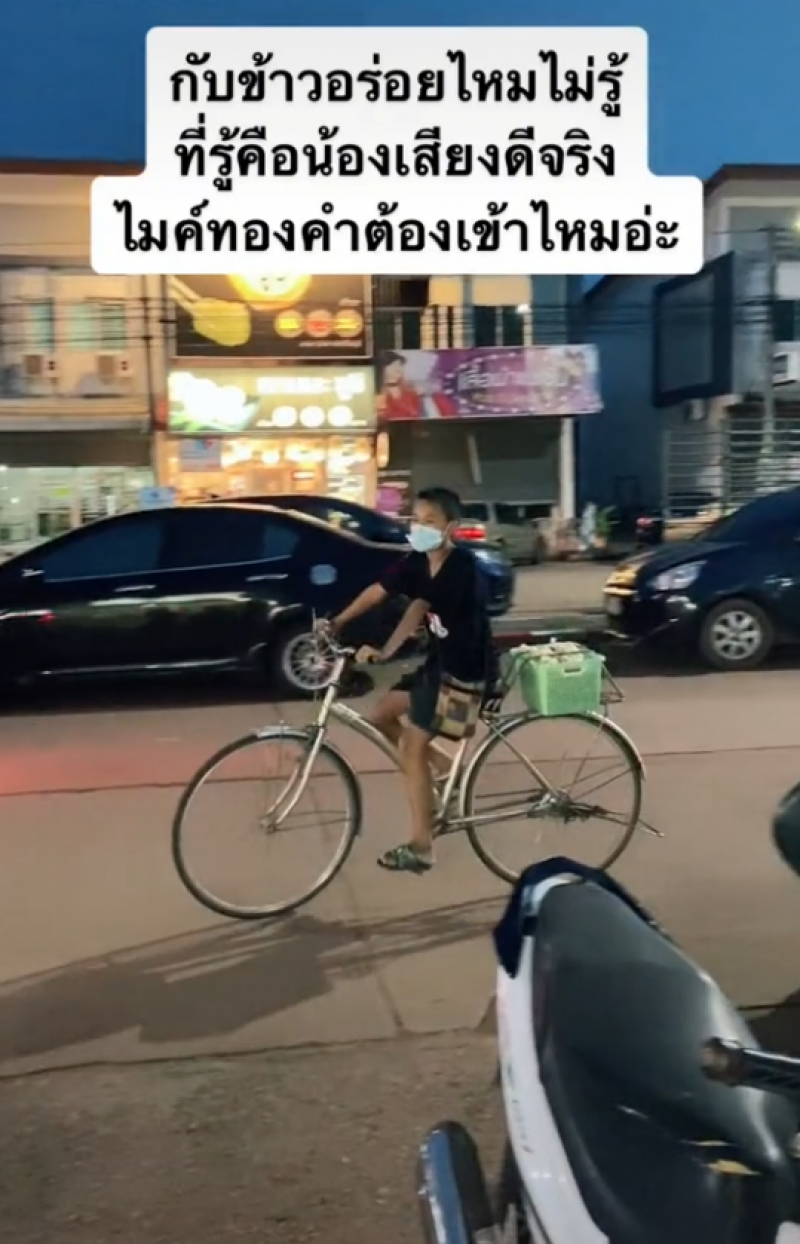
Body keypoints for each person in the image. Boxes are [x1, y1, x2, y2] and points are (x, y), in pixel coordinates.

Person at [323, 487, 496, 874]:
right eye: (416, 519)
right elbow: (378, 591)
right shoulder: (418, 561)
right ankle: (449, 770)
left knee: (412, 749)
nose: (420, 527)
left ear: (450, 527)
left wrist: (384, 652)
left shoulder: (461, 566)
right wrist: (339, 621)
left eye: (429, 521)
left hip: (465, 671)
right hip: (438, 665)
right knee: (381, 715)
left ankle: (422, 847)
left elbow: (419, 607)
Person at [377, 351, 458, 421]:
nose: (398, 370)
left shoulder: (411, 389)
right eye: (393, 366)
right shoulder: (377, 395)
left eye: (399, 366)